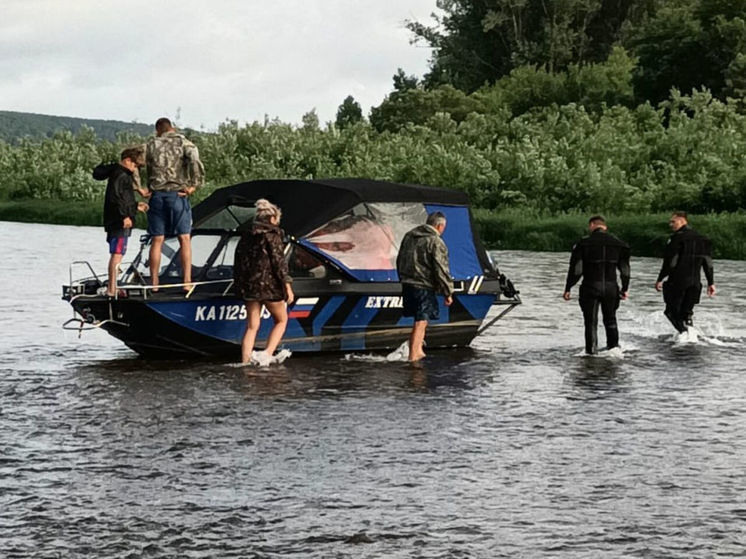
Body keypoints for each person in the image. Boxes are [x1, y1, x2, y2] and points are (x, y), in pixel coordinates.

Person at [145, 117, 205, 291]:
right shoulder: (184, 143)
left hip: (157, 195)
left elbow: (142, 164)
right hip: (177, 195)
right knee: (184, 239)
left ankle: (154, 283)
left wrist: (145, 187)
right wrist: (194, 185)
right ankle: (186, 282)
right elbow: (195, 161)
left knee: (157, 240)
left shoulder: (151, 144)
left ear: (158, 130)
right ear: (172, 128)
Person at [234, 199, 295, 366]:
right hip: (269, 286)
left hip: (250, 286)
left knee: (252, 326)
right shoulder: (273, 236)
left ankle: (245, 362)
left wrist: (239, 285)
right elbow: (279, 263)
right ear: (273, 219)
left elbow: (239, 261)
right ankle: (267, 354)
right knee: (281, 320)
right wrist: (287, 286)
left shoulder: (246, 236)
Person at [563, 216, 631, 355]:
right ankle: (614, 350)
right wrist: (625, 288)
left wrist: (568, 287)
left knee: (591, 322)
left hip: (590, 286)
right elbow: (625, 270)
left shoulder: (583, 243)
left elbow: (577, 269)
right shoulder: (619, 244)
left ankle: (591, 352)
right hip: (611, 287)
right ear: (604, 226)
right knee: (611, 319)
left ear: (592, 225)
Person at [396, 211, 454, 362]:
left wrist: (402, 278)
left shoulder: (409, 236)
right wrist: (448, 292)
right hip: (424, 285)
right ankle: (413, 355)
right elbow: (441, 268)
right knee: (421, 321)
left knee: (420, 318)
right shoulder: (435, 241)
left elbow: (399, 258)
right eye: (443, 227)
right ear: (439, 226)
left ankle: (418, 350)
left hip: (407, 283)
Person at [93, 147, 148, 297]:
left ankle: (113, 286)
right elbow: (116, 198)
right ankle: (112, 289)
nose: (135, 168)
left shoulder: (118, 174)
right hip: (119, 221)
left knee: (118, 253)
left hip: (117, 219)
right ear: (127, 160)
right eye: (135, 165)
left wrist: (136, 206)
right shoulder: (121, 175)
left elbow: (124, 199)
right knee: (117, 254)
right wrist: (124, 216)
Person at [655, 211, 715, 333]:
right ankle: (691, 337)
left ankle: (685, 335)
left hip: (678, 281)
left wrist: (660, 278)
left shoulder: (677, 238)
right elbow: (708, 262)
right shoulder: (703, 239)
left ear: (682, 221)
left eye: (673, 221)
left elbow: (671, 261)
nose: (670, 224)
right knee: (687, 314)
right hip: (695, 283)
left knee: (670, 312)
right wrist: (711, 283)